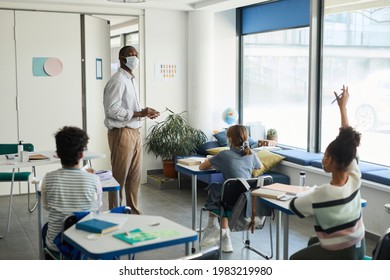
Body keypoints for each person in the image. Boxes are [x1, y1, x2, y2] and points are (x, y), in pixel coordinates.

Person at [289, 85, 366, 260]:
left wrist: (308, 194)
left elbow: (295, 207)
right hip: (359, 247)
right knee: (312, 242)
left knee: (294, 260)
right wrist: (343, 108)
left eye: (325, 155)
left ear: (332, 160)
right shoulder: (355, 177)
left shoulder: (322, 193)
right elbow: (348, 144)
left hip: (341, 252)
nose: (323, 159)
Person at [103, 46, 160, 213]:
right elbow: (111, 110)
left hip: (135, 132)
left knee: (134, 177)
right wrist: (140, 113)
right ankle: (115, 213)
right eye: (130, 54)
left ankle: (133, 212)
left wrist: (145, 113)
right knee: (119, 177)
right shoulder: (118, 80)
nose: (134, 57)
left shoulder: (131, 80)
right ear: (121, 58)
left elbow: (130, 107)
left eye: (136, 54)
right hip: (122, 133)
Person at [198, 124, 262, 253]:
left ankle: (217, 230)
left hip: (230, 200)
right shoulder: (251, 154)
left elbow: (202, 167)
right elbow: (259, 167)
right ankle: (218, 232)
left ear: (230, 140)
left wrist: (215, 163)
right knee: (223, 192)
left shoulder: (224, 155)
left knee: (216, 189)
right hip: (248, 199)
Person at [42, 126, 103, 254]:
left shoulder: (48, 179)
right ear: (81, 155)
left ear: (58, 154)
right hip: (86, 246)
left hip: (57, 245)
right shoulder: (94, 180)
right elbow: (97, 208)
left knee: (45, 229)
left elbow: (47, 207)